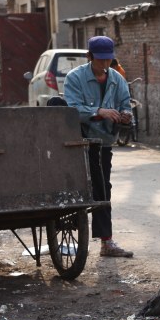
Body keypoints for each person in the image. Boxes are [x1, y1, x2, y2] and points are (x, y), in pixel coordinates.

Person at [63, 36, 133, 257]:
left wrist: (126, 115)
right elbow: (72, 109)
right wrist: (99, 112)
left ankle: (106, 242)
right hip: (79, 141)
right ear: (89, 56)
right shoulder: (75, 78)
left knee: (103, 189)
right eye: (100, 60)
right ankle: (73, 225)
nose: (104, 65)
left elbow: (125, 104)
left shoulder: (117, 79)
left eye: (108, 60)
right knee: (78, 187)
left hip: (103, 142)